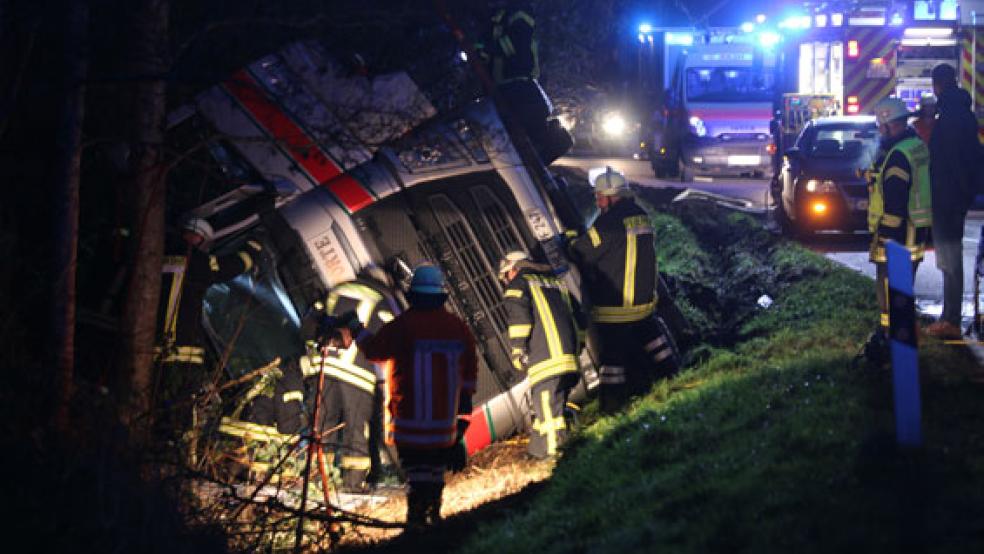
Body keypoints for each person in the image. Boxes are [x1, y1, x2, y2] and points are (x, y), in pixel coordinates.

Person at [337, 264, 477, 530]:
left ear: (413, 296)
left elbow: (375, 351)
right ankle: (433, 515)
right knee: (434, 471)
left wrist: (356, 328)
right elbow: (469, 373)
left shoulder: (402, 326)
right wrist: (462, 416)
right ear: (441, 296)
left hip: (409, 422)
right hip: (442, 424)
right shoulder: (458, 328)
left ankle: (416, 521)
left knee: (416, 472)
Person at [567, 167, 680, 413]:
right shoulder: (641, 215)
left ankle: (611, 406)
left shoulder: (608, 222)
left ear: (610, 196)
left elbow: (582, 251)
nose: (597, 201)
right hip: (644, 301)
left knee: (612, 362)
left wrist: (571, 240)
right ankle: (673, 378)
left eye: (599, 196)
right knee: (656, 343)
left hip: (616, 307)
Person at [156, 218, 263, 420]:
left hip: (153, 349)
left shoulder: (158, 254)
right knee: (180, 412)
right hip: (182, 351)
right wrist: (253, 248)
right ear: (198, 238)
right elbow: (229, 266)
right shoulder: (196, 260)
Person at [299, 277, 399, 493]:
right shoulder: (382, 304)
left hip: (325, 369)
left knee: (323, 425)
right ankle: (353, 485)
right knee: (356, 431)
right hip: (357, 377)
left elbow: (310, 324)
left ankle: (318, 481)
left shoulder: (336, 290)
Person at [862, 98, 932, 362]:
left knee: (889, 288)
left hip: (898, 236)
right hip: (917, 231)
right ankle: (901, 336)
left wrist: (885, 239)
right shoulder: (916, 147)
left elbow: (894, 203)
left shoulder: (898, 157)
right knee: (903, 291)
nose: (880, 133)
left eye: (881, 127)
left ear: (890, 126)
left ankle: (890, 338)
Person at [498, 250, 585, 458]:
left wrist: (518, 351)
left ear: (513, 269)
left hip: (547, 362)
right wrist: (578, 344)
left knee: (549, 418)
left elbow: (519, 320)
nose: (506, 280)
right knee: (547, 411)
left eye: (505, 275)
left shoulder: (518, 285)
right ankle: (536, 453)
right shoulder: (553, 281)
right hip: (569, 359)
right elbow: (578, 316)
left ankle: (556, 461)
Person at [925, 63, 981, 339]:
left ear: (937, 85)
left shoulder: (945, 118)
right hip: (956, 197)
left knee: (948, 258)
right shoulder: (965, 115)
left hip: (945, 197)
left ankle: (950, 319)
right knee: (950, 256)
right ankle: (949, 315)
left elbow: (946, 161)